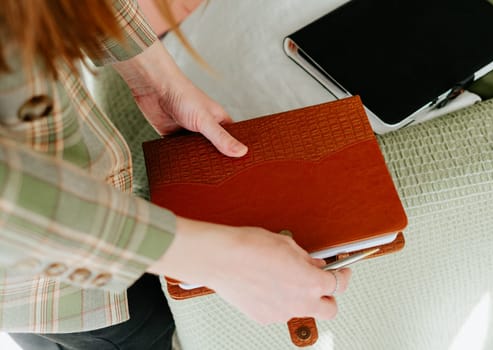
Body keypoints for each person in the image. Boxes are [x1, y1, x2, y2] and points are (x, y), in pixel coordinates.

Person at [0, 0, 351, 348]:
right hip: (59, 278)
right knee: (138, 328)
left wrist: (155, 80)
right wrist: (225, 261)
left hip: (88, 207)